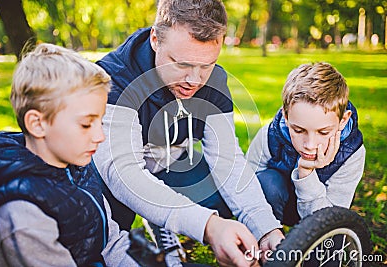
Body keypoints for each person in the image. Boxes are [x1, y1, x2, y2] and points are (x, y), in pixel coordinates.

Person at [93, 0, 284, 265]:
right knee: (100, 242)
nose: (194, 80)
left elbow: (228, 161)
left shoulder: (213, 81)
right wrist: (208, 225)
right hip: (108, 179)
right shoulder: (115, 79)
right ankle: (156, 222)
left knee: (267, 190)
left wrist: (265, 228)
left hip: (172, 165)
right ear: (155, 39)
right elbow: (124, 175)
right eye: (181, 64)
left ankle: (164, 219)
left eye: (207, 65)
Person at [0, 43, 139, 266]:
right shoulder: (23, 217)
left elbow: (112, 242)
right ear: (37, 124)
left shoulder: (75, 163)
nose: (100, 136)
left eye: (100, 121)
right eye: (87, 124)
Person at [246, 62, 365, 226]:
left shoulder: (352, 153)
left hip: (321, 210)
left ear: (343, 120)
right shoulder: (269, 136)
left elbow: (329, 223)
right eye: (299, 130)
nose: (310, 145)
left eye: (323, 132)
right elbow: (247, 189)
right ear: (286, 117)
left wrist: (306, 173)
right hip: (277, 206)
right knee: (267, 182)